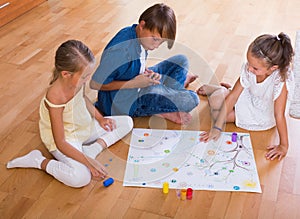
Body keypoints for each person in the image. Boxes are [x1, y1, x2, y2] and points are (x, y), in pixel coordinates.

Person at [7, 40, 133, 188]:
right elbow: (60, 142)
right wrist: (88, 163)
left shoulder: (77, 81)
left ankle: (92, 149)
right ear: (66, 74)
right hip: (66, 139)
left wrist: (100, 118)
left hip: (84, 127)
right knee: (81, 178)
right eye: (85, 76)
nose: (88, 79)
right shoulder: (55, 97)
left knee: (127, 122)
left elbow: (83, 98)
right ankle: (38, 161)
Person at [90, 3, 199, 125]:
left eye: (161, 42)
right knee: (192, 99)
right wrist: (134, 83)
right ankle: (165, 105)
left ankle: (169, 92)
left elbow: (132, 65)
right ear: (142, 25)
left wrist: (145, 71)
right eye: (155, 39)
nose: (156, 46)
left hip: (139, 81)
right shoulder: (120, 52)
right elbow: (95, 84)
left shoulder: (138, 35)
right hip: (126, 101)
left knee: (181, 60)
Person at [198, 32, 294, 161]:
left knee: (219, 114)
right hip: (250, 95)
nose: (249, 69)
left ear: (273, 68)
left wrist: (283, 146)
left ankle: (219, 90)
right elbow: (233, 97)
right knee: (219, 115)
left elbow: (279, 114)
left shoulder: (280, 81)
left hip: (265, 113)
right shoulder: (251, 68)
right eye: (248, 63)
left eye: (254, 68)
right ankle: (220, 90)